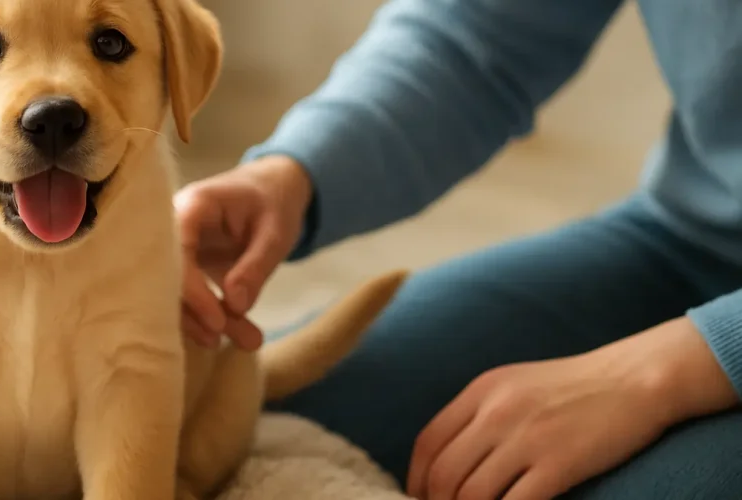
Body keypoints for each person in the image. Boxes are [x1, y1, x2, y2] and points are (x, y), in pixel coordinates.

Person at [174, 1, 742, 499]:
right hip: (693, 241)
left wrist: (675, 366)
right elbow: (476, 37)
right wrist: (291, 175)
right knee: (222, 429)